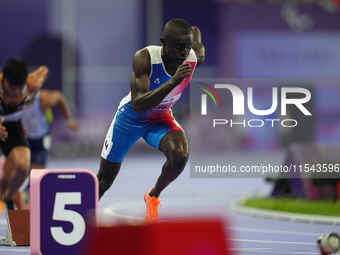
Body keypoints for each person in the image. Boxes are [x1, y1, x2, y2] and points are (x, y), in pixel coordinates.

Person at [97, 18, 205, 221]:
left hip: (160, 118)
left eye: (187, 46)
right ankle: (80, 218)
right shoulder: (145, 58)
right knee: (104, 180)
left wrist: (197, 41)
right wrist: (174, 81)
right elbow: (138, 104)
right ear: (164, 43)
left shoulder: (192, 55)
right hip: (130, 119)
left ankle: (153, 195)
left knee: (180, 156)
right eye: (179, 47)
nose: (184, 52)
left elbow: (198, 41)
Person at [0, 58, 48, 211]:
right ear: (4, 80)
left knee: (22, 167)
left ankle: (9, 197)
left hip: (13, 125)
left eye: (18, 89)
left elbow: (44, 69)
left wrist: (38, 78)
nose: (15, 94)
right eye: (11, 89)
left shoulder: (30, 85)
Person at [22, 89, 79, 170]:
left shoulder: (44, 99)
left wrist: (69, 119)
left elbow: (59, 97)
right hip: (25, 139)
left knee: (37, 170)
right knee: (23, 168)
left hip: (42, 139)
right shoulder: (15, 98)